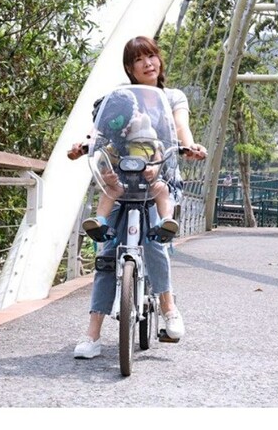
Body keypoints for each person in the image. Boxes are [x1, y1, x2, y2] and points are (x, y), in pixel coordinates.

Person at [67, 35, 207, 359]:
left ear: (159, 59)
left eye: (151, 56)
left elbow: (180, 128)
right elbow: (101, 128)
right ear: (129, 69)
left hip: (158, 181)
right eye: (138, 60)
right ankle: (92, 335)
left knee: (155, 243)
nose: (147, 63)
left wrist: (190, 146)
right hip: (122, 182)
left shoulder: (172, 97)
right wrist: (83, 145)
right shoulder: (121, 98)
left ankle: (169, 309)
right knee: (107, 253)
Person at [81, 88, 179, 243]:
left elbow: (157, 159)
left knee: (161, 188)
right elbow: (106, 166)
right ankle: (99, 221)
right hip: (122, 184)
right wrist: (108, 177)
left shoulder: (149, 142)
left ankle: (166, 221)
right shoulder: (114, 147)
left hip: (148, 183)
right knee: (110, 191)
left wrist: (153, 170)